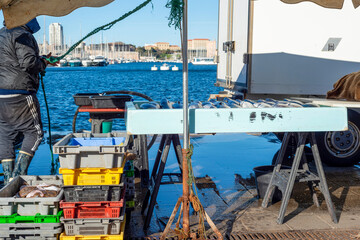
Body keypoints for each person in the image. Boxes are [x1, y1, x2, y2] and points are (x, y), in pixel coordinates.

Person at [0, 18, 57, 184]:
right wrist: (44, 62)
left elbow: (11, 59)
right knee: (35, 133)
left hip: (1, 95)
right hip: (20, 93)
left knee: (6, 136)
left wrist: (40, 59)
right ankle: (19, 174)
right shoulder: (22, 34)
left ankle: (8, 180)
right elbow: (28, 63)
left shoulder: (2, 34)